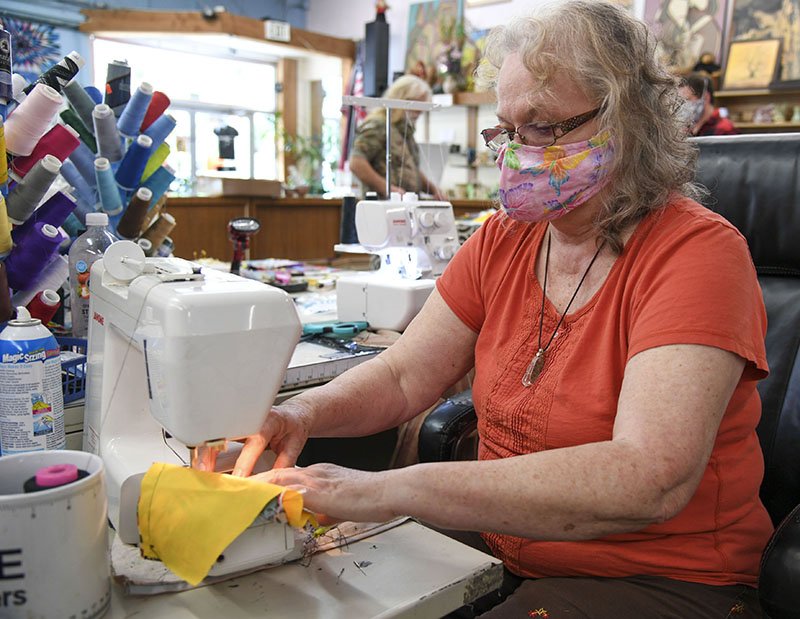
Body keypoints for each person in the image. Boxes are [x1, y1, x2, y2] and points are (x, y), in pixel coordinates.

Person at [233, 2, 772, 616]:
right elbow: (404, 374)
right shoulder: (503, 240)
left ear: (629, 119)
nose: (517, 153)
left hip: (667, 580)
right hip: (507, 553)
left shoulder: (697, 255)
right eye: (507, 131)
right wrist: (301, 412)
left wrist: (387, 490)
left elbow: (649, 477)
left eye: (544, 128)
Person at [349, 74, 446, 199]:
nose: (418, 114)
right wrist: (387, 188)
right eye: (416, 108)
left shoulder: (404, 130)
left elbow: (410, 168)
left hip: (405, 204)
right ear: (403, 99)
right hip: (382, 206)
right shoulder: (378, 125)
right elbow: (356, 163)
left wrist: (433, 189)